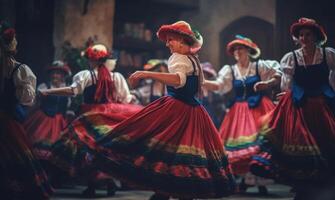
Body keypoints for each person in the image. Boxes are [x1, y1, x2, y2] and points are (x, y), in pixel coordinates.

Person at [54, 21, 235, 200]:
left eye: (170, 39)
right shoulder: (192, 59)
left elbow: (179, 80)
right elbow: (194, 83)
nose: (167, 43)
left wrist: (146, 73)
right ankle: (170, 192)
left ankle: (167, 192)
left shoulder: (179, 58)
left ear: (181, 40)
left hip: (179, 110)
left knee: (162, 149)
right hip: (193, 111)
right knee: (175, 153)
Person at [250, 17, 335, 199]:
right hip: (301, 106)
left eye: (308, 34)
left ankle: (324, 184)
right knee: (301, 144)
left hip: (322, 105)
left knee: (325, 144)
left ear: (316, 36)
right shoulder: (292, 57)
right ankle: (303, 186)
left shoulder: (328, 54)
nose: (304, 38)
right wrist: (274, 89)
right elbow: (285, 82)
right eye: (301, 35)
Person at [39, 44, 142, 197]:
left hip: (90, 116)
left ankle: (93, 186)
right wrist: (132, 101)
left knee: (88, 150)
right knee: (106, 150)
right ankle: (109, 182)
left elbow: (72, 91)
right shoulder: (116, 77)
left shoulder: (85, 75)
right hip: (110, 116)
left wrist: (48, 91)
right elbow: (125, 99)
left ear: (90, 60)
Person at [203, 35, 281, 194]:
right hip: (238, 113)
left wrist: (268, 83)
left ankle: (259, 180)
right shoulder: (230, 70)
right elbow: (219, 85)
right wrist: (201, 81)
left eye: (240, 48)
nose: (237, 52)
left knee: (257, 145)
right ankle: (247, 180)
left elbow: (277, 72)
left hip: (258, 108)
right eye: (234, 50)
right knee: (243, 149)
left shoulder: (259, 66)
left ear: (248, 50)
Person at [0, 19, 52, 199]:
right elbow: (26, 100)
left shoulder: (17, 70)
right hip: (7, 121)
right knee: (15, 156)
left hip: (7, 119)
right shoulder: (19, 70)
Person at [24, 60, 72, 160]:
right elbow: (36, 103)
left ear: (63, 75)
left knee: (58, 145)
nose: (55, 75)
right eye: (53, 73)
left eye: (58, 73)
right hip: (43, 118)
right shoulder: (44, 86)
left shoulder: (66, 89)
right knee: (38, 142)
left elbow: (67, 106)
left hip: (59, 121)